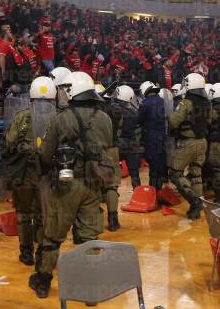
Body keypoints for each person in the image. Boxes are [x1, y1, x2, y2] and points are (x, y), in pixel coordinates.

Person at [38, 71, 114, 298]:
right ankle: (90, 289)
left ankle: (42, 282)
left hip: (67, 185)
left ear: (72, 92)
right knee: (88, 238)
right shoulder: (106, 119)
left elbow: (45, 154)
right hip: (94, 185)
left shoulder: (61, 118)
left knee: (53, 237)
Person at [3, 76, 57, 298]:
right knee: (44, 215)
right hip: (47, 174)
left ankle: (26, 252)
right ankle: (43, 256)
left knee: (24, 214)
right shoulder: (57, 118)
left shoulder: (23, 116)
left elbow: (9, 141)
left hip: (25, 172)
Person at [169, 73, 211, 219]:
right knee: (196, 175)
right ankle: (198, 208)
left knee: (175, 173)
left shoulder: (186, 102)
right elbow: (209, 121)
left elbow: (174, 121)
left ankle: (194, 202)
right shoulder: (207, 103)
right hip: (203, 142)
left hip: (189, 143)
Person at [96, 83, 123, 232]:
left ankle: (94, 222)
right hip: (112, 150)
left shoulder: (92, 112)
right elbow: (120, 128)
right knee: (112, 185)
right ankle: (113, 219)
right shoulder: (116, 110)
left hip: (96, 151)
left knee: (93, 184)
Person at [137, 81, 167, 190]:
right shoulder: (164, 101)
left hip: (151, 138)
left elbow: (138, 119)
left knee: (153, 166)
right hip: (164, 137)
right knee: (161, 163)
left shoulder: (145, 103)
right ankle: (161, 190)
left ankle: (153, 191)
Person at [114, 85, 142, 190]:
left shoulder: (114, 111)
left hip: (118, 143)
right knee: (134, 171)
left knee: (115, 170)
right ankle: (138, 191)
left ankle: (112, 193)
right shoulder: (134, 112)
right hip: (131, 143)